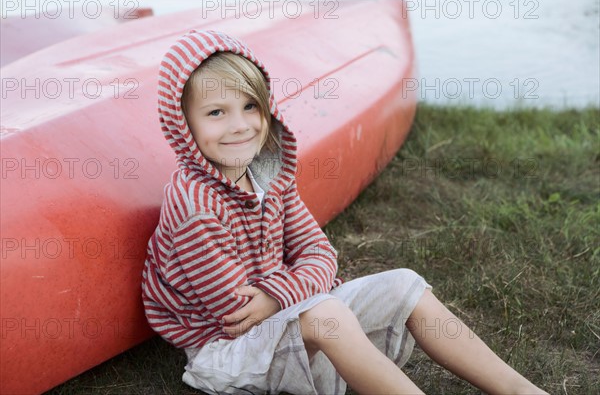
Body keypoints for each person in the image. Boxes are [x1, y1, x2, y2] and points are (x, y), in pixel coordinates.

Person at [141, 29, 547, 395]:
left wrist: (281, 291)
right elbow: (238, 313)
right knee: (325, 312)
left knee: (405, 284)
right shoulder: (195, 204)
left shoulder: (266, 173)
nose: (240, 125)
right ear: (183, 124)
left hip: (284, 316)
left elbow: (320, 253)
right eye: (215, 112)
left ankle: (517, 388)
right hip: (227, 352)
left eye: (250, 106)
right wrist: (299, 288)